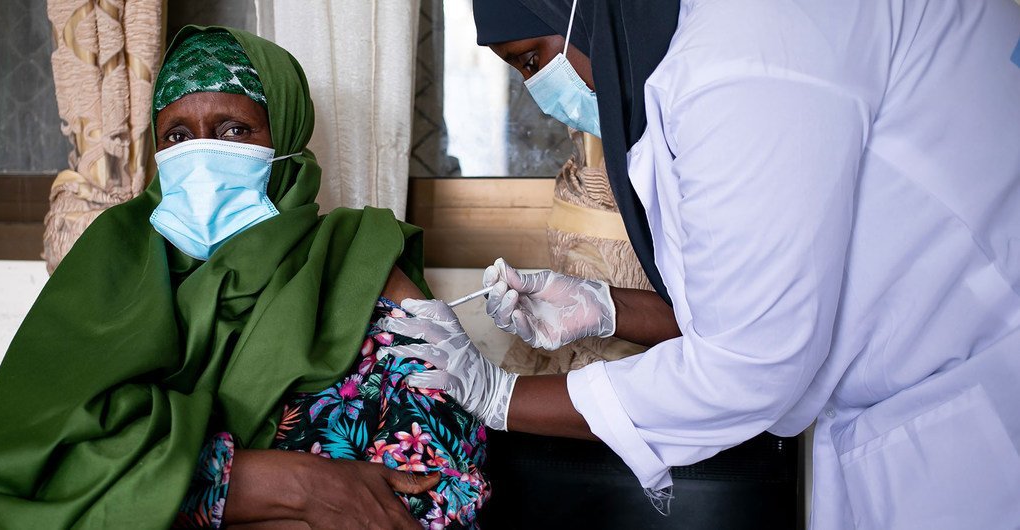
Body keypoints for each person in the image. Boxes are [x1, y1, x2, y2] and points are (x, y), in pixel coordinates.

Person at [382, 0, 1020, 527]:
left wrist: (497, 394)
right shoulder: (710, 54)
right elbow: (754, 308)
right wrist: (603, 307)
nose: (538, 91)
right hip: (925, 401)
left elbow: (750, 363)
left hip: (973, 410)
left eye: (532, 60)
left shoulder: (746, 58)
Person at [0, 27, 488, 530]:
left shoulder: (356, 266)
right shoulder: (114, 262)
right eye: (177, 136)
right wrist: (299, 486)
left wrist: (180, 492)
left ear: (286, 140)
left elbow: (442, 491)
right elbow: (34, 463)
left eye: (233, 129)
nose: (202, 155)